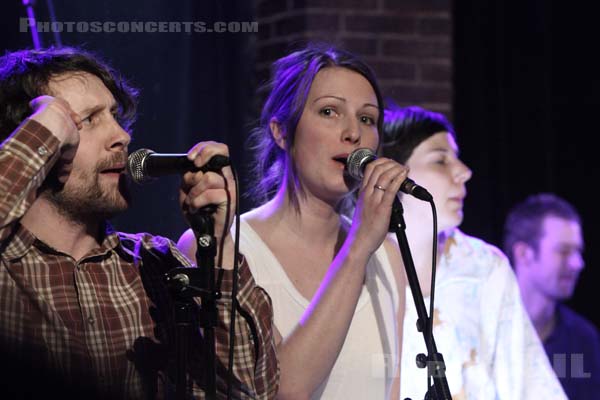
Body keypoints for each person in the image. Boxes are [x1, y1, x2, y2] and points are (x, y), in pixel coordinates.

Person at [0, 47, 278, 399]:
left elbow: (251, 389)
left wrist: (220, 246)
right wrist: (45, 128)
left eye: (115, 116)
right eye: (86, 120)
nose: (122, 136)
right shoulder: (6, 266)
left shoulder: (155, 265)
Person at [179, 43, 407, 399]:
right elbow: (284, 389)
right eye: (330, 111)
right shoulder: (222, 246)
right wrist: (359, 245)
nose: (353, 133)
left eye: (367, 119)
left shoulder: (388, 256)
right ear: (281, 132)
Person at [381, 105, 566, 399]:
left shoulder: (483, 267)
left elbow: (529, 382)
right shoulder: (355, 264)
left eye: (457, 159)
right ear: (391, 172)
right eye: (440, 160)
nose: (463, 172)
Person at [503, 192, 600, 398]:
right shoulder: (485, 326)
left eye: (578, 251)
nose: (577, 263)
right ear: (523, 253)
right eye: (563, 251)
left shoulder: (582, 338)